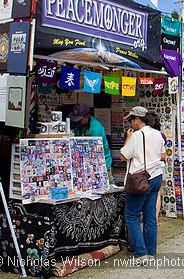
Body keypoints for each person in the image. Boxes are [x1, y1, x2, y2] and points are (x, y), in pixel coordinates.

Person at [120, 106, 165, 263]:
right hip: (156, 177)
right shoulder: (158, 134)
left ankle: (141, 253)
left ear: (137, 119)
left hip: (140, 180)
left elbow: (123, 155)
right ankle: (151, 252)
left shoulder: (137, 135)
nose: (130, 124)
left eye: (131, 120)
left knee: (131, 216)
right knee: (150, 216)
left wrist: (128, 138)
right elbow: (162, 154)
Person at [68, 104, 113, 184]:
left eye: (79, 119)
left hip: (101, 164)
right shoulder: (78, 124)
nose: (76, 122)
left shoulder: (95, 129)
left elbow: (92, 154)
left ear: (87, 116)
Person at [146, 111, 167, 226]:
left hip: (151, 168)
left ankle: (153, 218)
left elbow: (163, 155)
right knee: (156, 193)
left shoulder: (144, 135)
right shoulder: (161, 135)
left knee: (153, 193)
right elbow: (163, 155)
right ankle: (154, 218)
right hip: (158, 168)